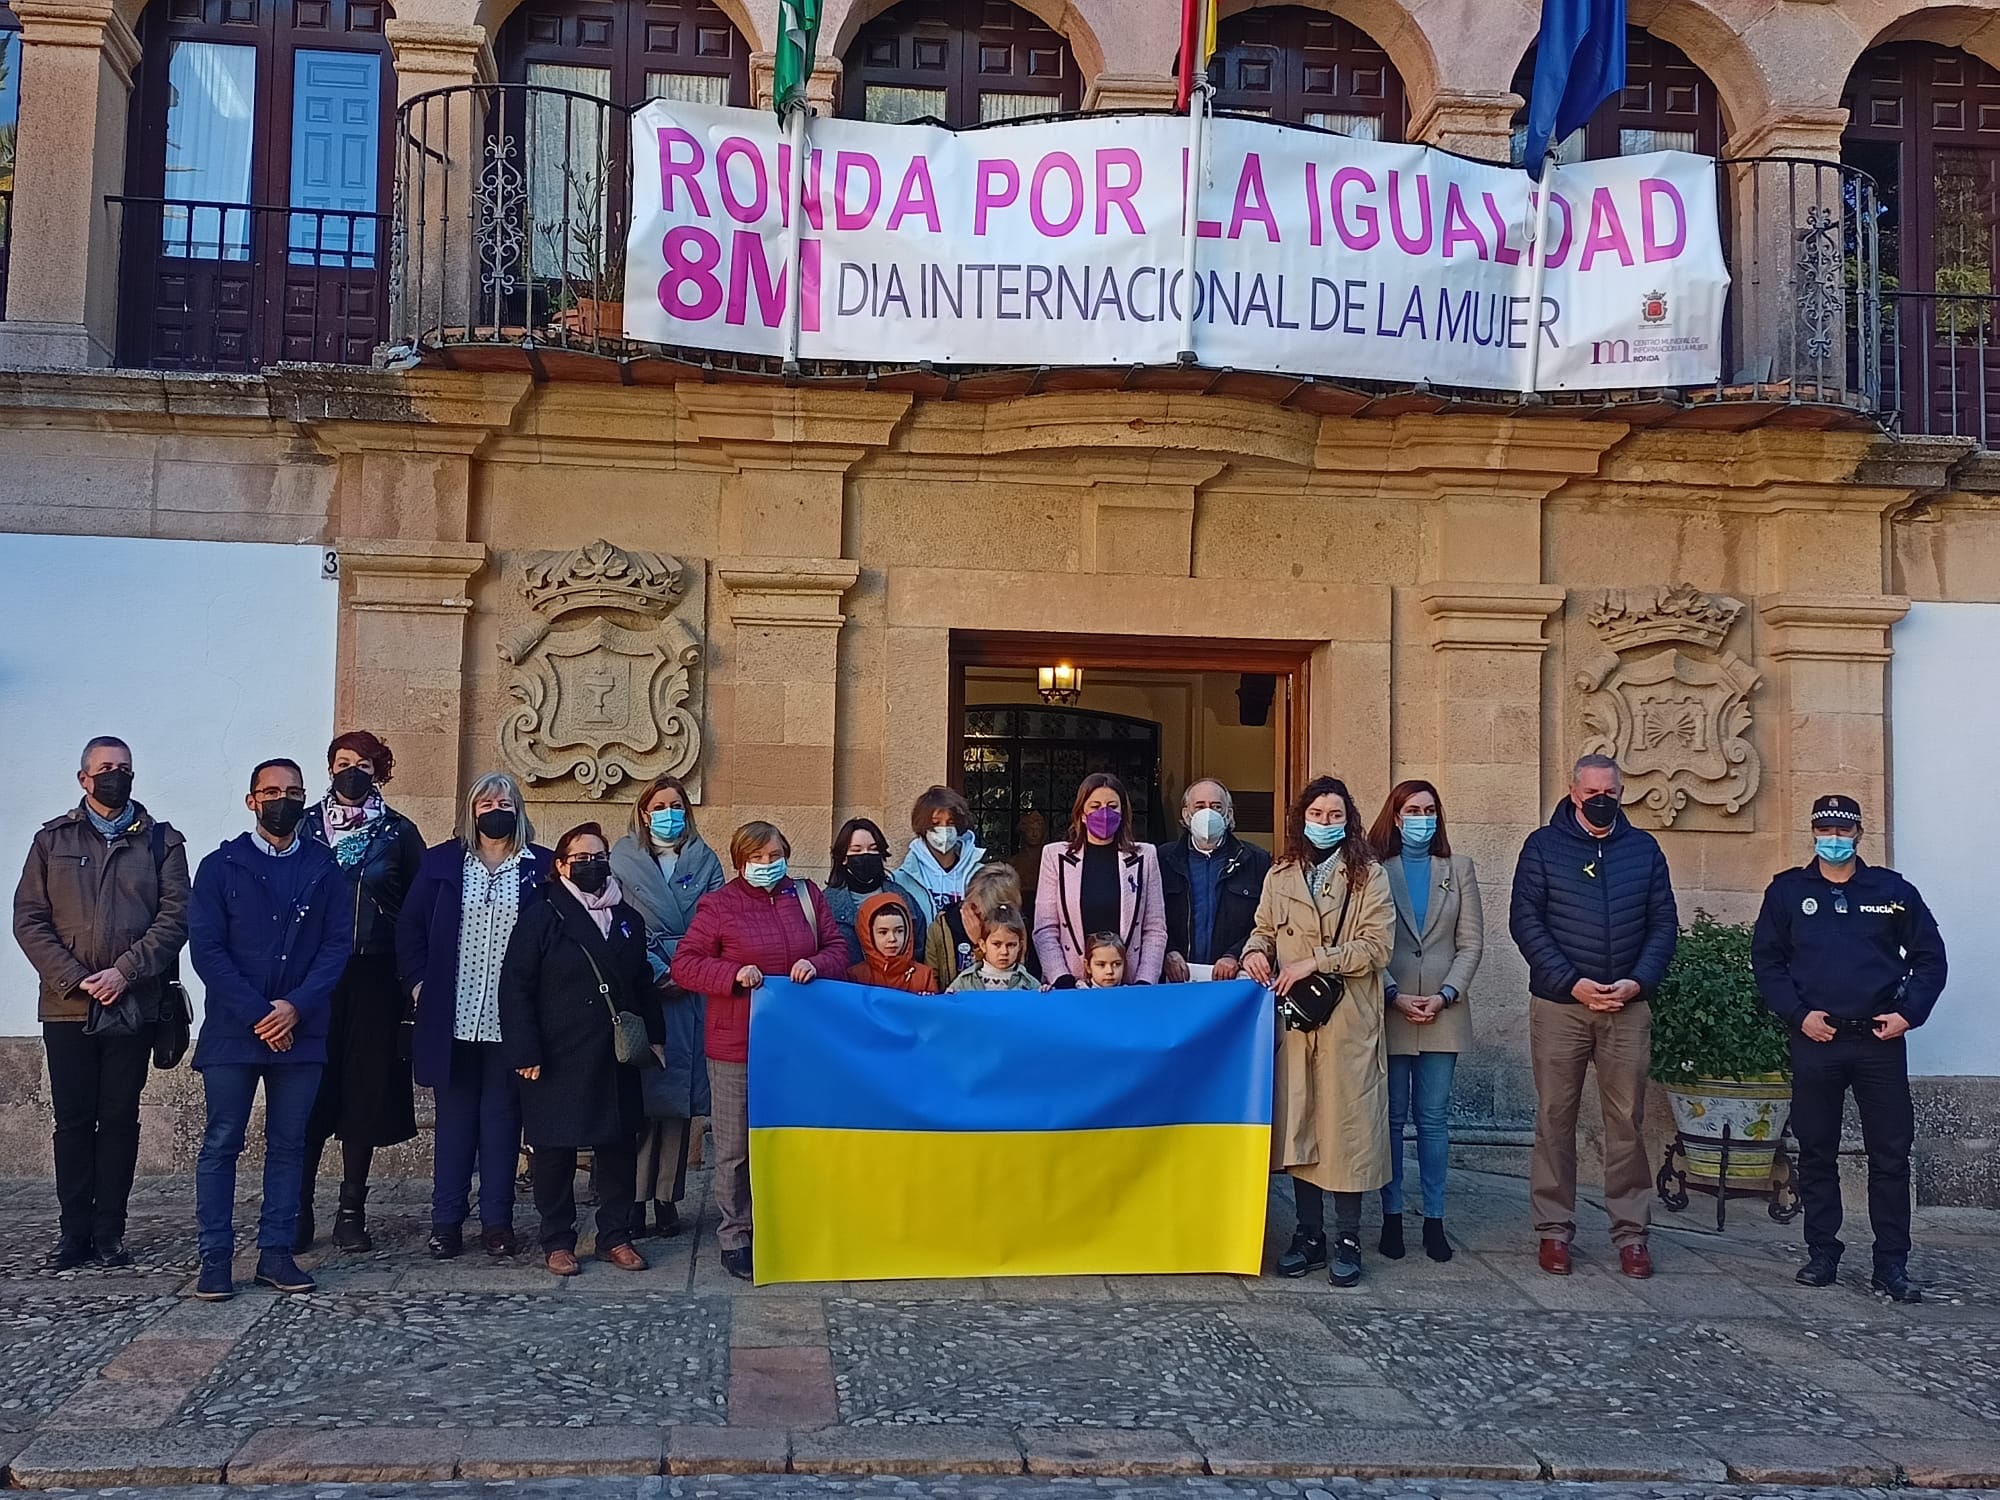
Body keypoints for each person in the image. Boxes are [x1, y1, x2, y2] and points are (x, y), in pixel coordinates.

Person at [1752, 795, 1947, 1304]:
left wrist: (1909, 1015)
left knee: (1890, 1156)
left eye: (1842, 830)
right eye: (1823, 829)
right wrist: (1798, 1016)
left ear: (1859, 834)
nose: (1833, 838)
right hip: (1817, 1039)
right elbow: (1767, 962)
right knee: (1817, 1152)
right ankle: (1822, 1254)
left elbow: (1930, 958)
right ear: (1812, 831)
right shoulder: (1789, 892)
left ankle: (1892, 1265)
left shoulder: (1891, 891)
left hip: (1879, 1044)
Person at [13, 736, 190, 1270]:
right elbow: (29, 919)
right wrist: (77, 978)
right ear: (83, 778)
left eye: (124, 768)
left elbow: (175, 918)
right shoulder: (52, 840)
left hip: (132, 1005)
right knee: (71, 1121)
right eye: (105, 767)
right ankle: (74, 1235)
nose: (116, 775)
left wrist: (124, 973)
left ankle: (110, 1232)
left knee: (118, 1118)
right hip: (68, 1006)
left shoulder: (162, 842)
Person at [187, 759, 353, 1301]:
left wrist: (295, 1008)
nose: (283, 799)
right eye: (273, 791)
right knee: (221, 1143)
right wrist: (260, 1013)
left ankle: (276, 1253)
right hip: (236, 1032)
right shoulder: (219, 866)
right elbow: (207, 950)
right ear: (252, 800)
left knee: (290, 1145)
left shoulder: (325, 868)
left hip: (300, 1031)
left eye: (295, 792)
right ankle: (215, 1257)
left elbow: (335, 947)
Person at [1509, 753, 1678, 1280]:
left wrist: (1637, 981)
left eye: (1611, 791)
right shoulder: (1543, 847)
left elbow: (1664, 924)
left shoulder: (1643, 849)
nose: (1602, 800)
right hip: (1562, 1006)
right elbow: (1526, 921)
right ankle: (1554, 1231)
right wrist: (1572, 982)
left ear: (1621, 792)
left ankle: (1632, 1235)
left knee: (1626, 1123)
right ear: (1574, 791)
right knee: (1554, 1120)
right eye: (1592, 793)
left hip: (1626, 1008)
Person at [673, 821, 848, 1280]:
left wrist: (816, 964)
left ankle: (787, 1223)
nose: (768, 865)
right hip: (736, 1045)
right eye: (758, 858)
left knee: (793, 1140)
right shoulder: (719, 905)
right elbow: (686, 964)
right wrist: (731, 975)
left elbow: (838, 950)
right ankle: (736, 1234)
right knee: (734, 1147)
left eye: (775, 856)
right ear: (739, 862)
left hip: (798, 1044)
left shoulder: (808, 897)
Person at [1242, 776, 1394, 1288]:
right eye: (1316, 814)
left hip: (1348, 1019)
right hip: (1295, 1019)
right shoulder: (1281, 873)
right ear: (1300, 819)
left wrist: (1316, 961)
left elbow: (1377, 947)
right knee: (1301, 1125)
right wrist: (1254, 953)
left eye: (1334, 815)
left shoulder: (1368, 876)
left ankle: (1348, 1236)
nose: (1325, 823)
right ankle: (1309, 1234)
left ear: (1348, 819)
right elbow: (1262, 927)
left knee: (1345, 1128)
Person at [397, 772, 550, 1260]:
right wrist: (419, 984)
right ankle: (446, 1222)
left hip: (512, 1022)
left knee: (503, 1123)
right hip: (453, 1017)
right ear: (472, 809)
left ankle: (497, 1223)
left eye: (504, 800)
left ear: (518, 808)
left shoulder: (541, 868)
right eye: (486, 801)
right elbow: (411, 928)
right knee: (455, 1121)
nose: (495, 808)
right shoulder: (443, 862)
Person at [499, 823, 657, 1277]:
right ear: (562, 866)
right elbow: (516, 986)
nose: (592, 865)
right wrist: (524, 1050)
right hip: (555, 1051)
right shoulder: (542, 914)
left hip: (613, 1051)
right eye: (582, 858)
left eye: (599, 856)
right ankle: (558, 1239)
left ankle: (615, 1235)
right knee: (553, 1150)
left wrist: (656, 1037)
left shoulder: (628, 918)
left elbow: (641, 982)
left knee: (617, 1147)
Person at [296, 731, 425, 1253]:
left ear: (380, 771)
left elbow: (417, 909)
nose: (352, 771)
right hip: (313, 979)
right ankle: (297, 1208)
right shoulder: (303, 826)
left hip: (375, 976)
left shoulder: (399, 833)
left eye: (364, 764)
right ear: (329, 768)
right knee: (306, 1093)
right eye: (342, 762)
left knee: (363, 1092)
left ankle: (352, 1212)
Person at [1366, 779, 1484, 1264]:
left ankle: (1434, 1219)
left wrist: (1446, 993)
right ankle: (1391, 1216)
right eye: (1412, 809)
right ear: (1395, 817)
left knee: (1434, 1119)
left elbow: (1471, 942)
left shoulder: (1458, 869)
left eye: (1429, 809)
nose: (1421, 817)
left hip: (1443, 1010)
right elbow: (1369, 939)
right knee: (1391, 1119)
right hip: (1391, 1009)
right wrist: (1393, 992)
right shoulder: (1377, 871)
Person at [608, 775, 725, 1239]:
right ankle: (633, 1198)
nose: (668, 812)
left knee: (678, 1099)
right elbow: (617, 916)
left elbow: (717, 920)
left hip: (692, 984)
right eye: (659, 804)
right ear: (643, 811)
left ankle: (666, 1197)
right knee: (642, 1092)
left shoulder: (706, 858)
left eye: (676, 804)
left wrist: (688, 969)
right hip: (644, 980)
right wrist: (657, 968)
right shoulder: (622, 856)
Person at [1034, 773, 1168, 984]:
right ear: (1082, 814)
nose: (1104, 813)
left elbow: (1155, 929)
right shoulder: (1054, 857)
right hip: (1070, 986)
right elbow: (1045, 928)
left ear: (1123, 812)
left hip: (1129, 988)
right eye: (1095, 806)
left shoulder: (1146, 856)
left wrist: (1144, 982)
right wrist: (1062, 978)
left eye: (1112, 806)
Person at [1160, 779, 1271, 983]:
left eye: (1216, 807)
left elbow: (1266, 923)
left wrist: (1235, 955)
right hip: (1174, 980)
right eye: (1200, 806)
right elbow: (1149, 918)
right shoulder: (1162, 859)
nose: (1208, 813)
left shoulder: (1257, 860)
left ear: (1228, 814)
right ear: (1186, 814)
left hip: (1230, 981)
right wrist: (1168, 952)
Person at [890, 786, 986, 939]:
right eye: (936, 823)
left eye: (950, 823)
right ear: (923, 826)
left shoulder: (982, 877)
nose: (944, 830)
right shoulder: (901, 880)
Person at [825, 817, 922, 969]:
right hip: (846, 986)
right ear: (843, 857)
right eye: (856, 850)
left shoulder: (901, 897)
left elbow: (919, 946)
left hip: (895, 988)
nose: (866, 855)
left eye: (873, 849)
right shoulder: (827, 902)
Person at [926, 863, 1025, 983]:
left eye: (982, 913)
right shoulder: (942, 926)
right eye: (972, 906)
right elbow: (931, 980)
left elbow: (1017, 980)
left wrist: (980, 943)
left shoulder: (1017, 930)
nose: (973, 913)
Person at [848, 892, 939, 993]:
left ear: (908, 932)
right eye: (883, 932)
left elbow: (933, 1008)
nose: (892, 939)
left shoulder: (923, 976)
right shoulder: (856, 976)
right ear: (868, 935)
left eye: (899, 931)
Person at [946, 905, 1038, 992]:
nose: (1004, 952)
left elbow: (1042, 1006)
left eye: (1011, 945)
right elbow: (948, 1007)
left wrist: (1046, 995)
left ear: (1019, 946)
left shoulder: (1029, 984)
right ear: (983, 945)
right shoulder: (964, 982)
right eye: (996, 944)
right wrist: (949, 998)